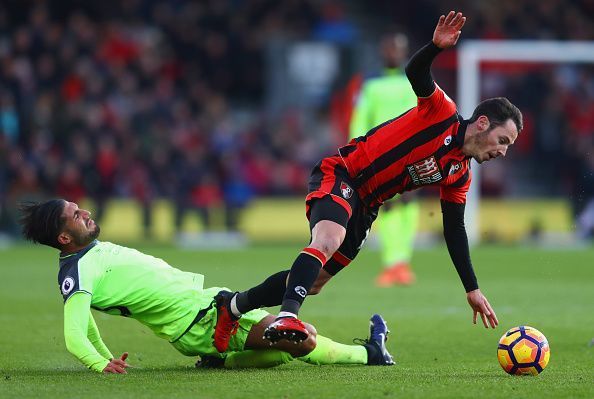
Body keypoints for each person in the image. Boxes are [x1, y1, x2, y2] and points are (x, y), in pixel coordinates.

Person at [213, 11, 523, 350]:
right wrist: (434, 48)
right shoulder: (442, 113)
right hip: (344, 173)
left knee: (313, 281)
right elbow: (415, 72)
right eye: (503, 141)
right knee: (328, 239)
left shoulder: (459, 173)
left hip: (369, 205)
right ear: (481, 124)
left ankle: (232, 306)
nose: (503, 152)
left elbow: (454, 229)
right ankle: (288, 315)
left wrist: (471, 287)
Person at [18, 199, 395, 373]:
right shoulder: (78, 271)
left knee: (291, 331)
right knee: (305, 338)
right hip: (196, 322)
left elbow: (86, 325)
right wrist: (100, 364)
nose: (84, 212)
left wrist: (106, 355)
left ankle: (223, 360)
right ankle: (371, 355)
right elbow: (74, 330)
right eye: (74, 216)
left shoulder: (90, 255)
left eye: (77, 207)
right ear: (64, 238)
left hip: (206, 303)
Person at [349, 32, 420, 286]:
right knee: (387, 206)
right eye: (389, 48)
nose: (392, 52)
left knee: (409, 204)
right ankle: (392, 263)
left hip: (411, 155)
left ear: (404, 52)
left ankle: (402, 261)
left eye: (397, 48)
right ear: (382, 51)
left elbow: (423, 118)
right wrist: (355, 151)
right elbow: (360, 120)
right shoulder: (370, 84)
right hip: (379, 157)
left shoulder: (415, 82)